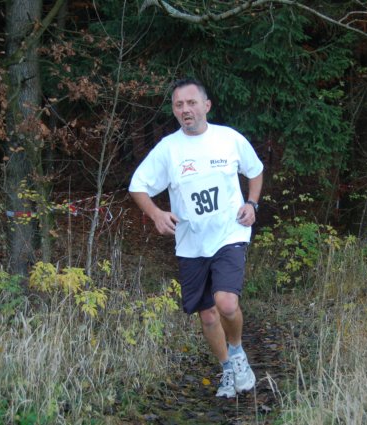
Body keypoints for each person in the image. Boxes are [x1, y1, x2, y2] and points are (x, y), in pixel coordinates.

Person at [129, 77, 264, 398]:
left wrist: (252, 203)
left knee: (226, 303)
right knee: (207, 314)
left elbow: (255, 170)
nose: (185, 109)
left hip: (230, 232)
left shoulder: (229, 139)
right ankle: (227, 370)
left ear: (206, 105)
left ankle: (237, 352)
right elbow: (137, 186)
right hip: (191, 244)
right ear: (174, 110)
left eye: (191, 103)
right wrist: (156, 214)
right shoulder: (168, 149)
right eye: (178, 105)